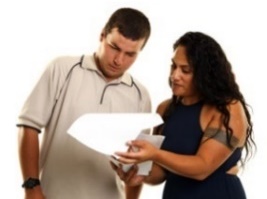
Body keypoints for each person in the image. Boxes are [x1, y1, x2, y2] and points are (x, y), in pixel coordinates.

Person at [17, 7, 151, 199]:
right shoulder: (62, 69)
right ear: (102, 36)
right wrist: (31, 187)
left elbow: (139, 164)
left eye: (130, 54)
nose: (119, 60)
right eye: (114, 47)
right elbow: (28, 125)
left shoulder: (141, 96)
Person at [115, 31, 256, 198]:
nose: (175, 76)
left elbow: (202, 168)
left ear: (205, 74)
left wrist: (154, 154)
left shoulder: (227, 109)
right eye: (174, 66)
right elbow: (162, 172)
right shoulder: (165, 110)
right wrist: (137, 175)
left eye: (185, 70)